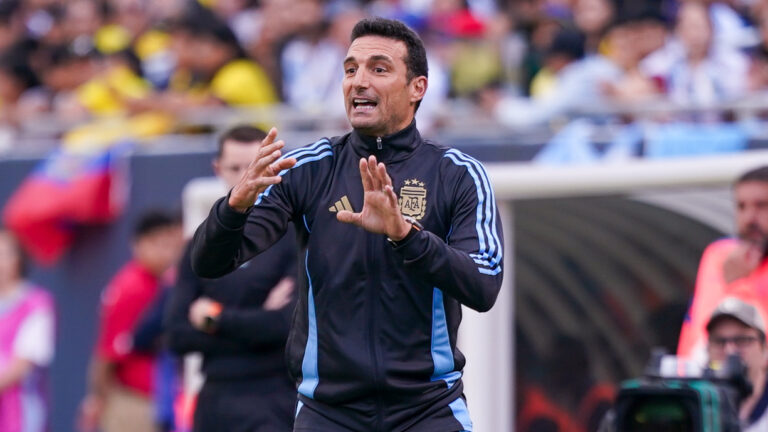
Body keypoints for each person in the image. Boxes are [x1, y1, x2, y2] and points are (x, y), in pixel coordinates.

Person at [190, 17, 504, 432]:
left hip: (428, 409)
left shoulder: (457, 174)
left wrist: (405, 235)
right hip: (328, 412)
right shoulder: (306, 169)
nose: (359, 81)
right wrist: (234, 207)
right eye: (350, 69)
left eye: (379, 68)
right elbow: (210, 262)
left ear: (418, 88)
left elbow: (483, 286)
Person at [164, 125, 298, 432]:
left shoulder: (293, 239)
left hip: (274, 398)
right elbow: (176, 334)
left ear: (275, 168)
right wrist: (258, 319)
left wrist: (214, 318)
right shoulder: (201, 246)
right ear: (217, 169)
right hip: (214, 400)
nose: (245, 178)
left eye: (253, 168)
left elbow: (286, 326)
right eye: (235, 168)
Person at [78, 210, 184, 432]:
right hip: (132, 402)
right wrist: (97, 400)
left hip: (158, 400)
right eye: (158, 244)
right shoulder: (132, 287)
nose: (167, 253)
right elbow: (106, 354)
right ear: (138, 245)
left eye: (171, 245)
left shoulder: (163, 283)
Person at [678, 166, 768, 366]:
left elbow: (758, 346)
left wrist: (738, 284)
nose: (749, 218)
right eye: (741, 207)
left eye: (762, 205)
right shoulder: (719, 255)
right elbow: (703, 339)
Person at [0, 229, 55, 432]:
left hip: (18, 411)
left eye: (4, 254)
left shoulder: (36, 303)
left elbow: (23, 365)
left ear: (18, 259)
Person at [704, 297, 768, 431]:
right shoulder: (694, 405)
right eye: (719, 341)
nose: (729, 350)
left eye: (742, 340)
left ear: (764, 348)